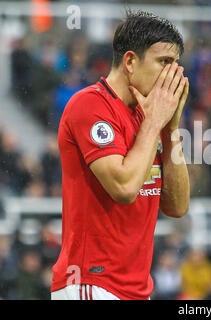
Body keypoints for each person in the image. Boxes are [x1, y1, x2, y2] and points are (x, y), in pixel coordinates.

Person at [51, 10, 190, 300]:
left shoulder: (149, 117)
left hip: (138, 288)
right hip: (91, 284)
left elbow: (177, 206)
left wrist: (170, 128)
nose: (173, 74)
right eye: (164, 62)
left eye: (176, 64)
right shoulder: (89, 105)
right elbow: (125, 188)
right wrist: (154, 124)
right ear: (130, 61)